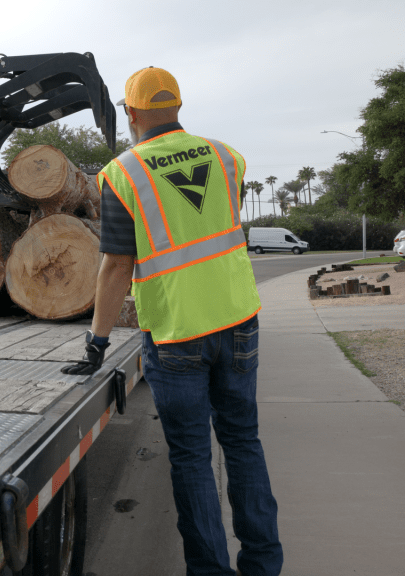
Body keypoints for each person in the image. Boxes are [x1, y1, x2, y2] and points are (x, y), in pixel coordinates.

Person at [62, 67, 283, 576]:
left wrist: (96, 343)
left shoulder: (123, 173)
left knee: (191, 457)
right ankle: (264, 565)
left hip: (177, 333)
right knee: (243, 442)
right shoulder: (227, 157)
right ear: (178, 107)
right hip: (238, 321)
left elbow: (118, 264)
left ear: (132, 113)